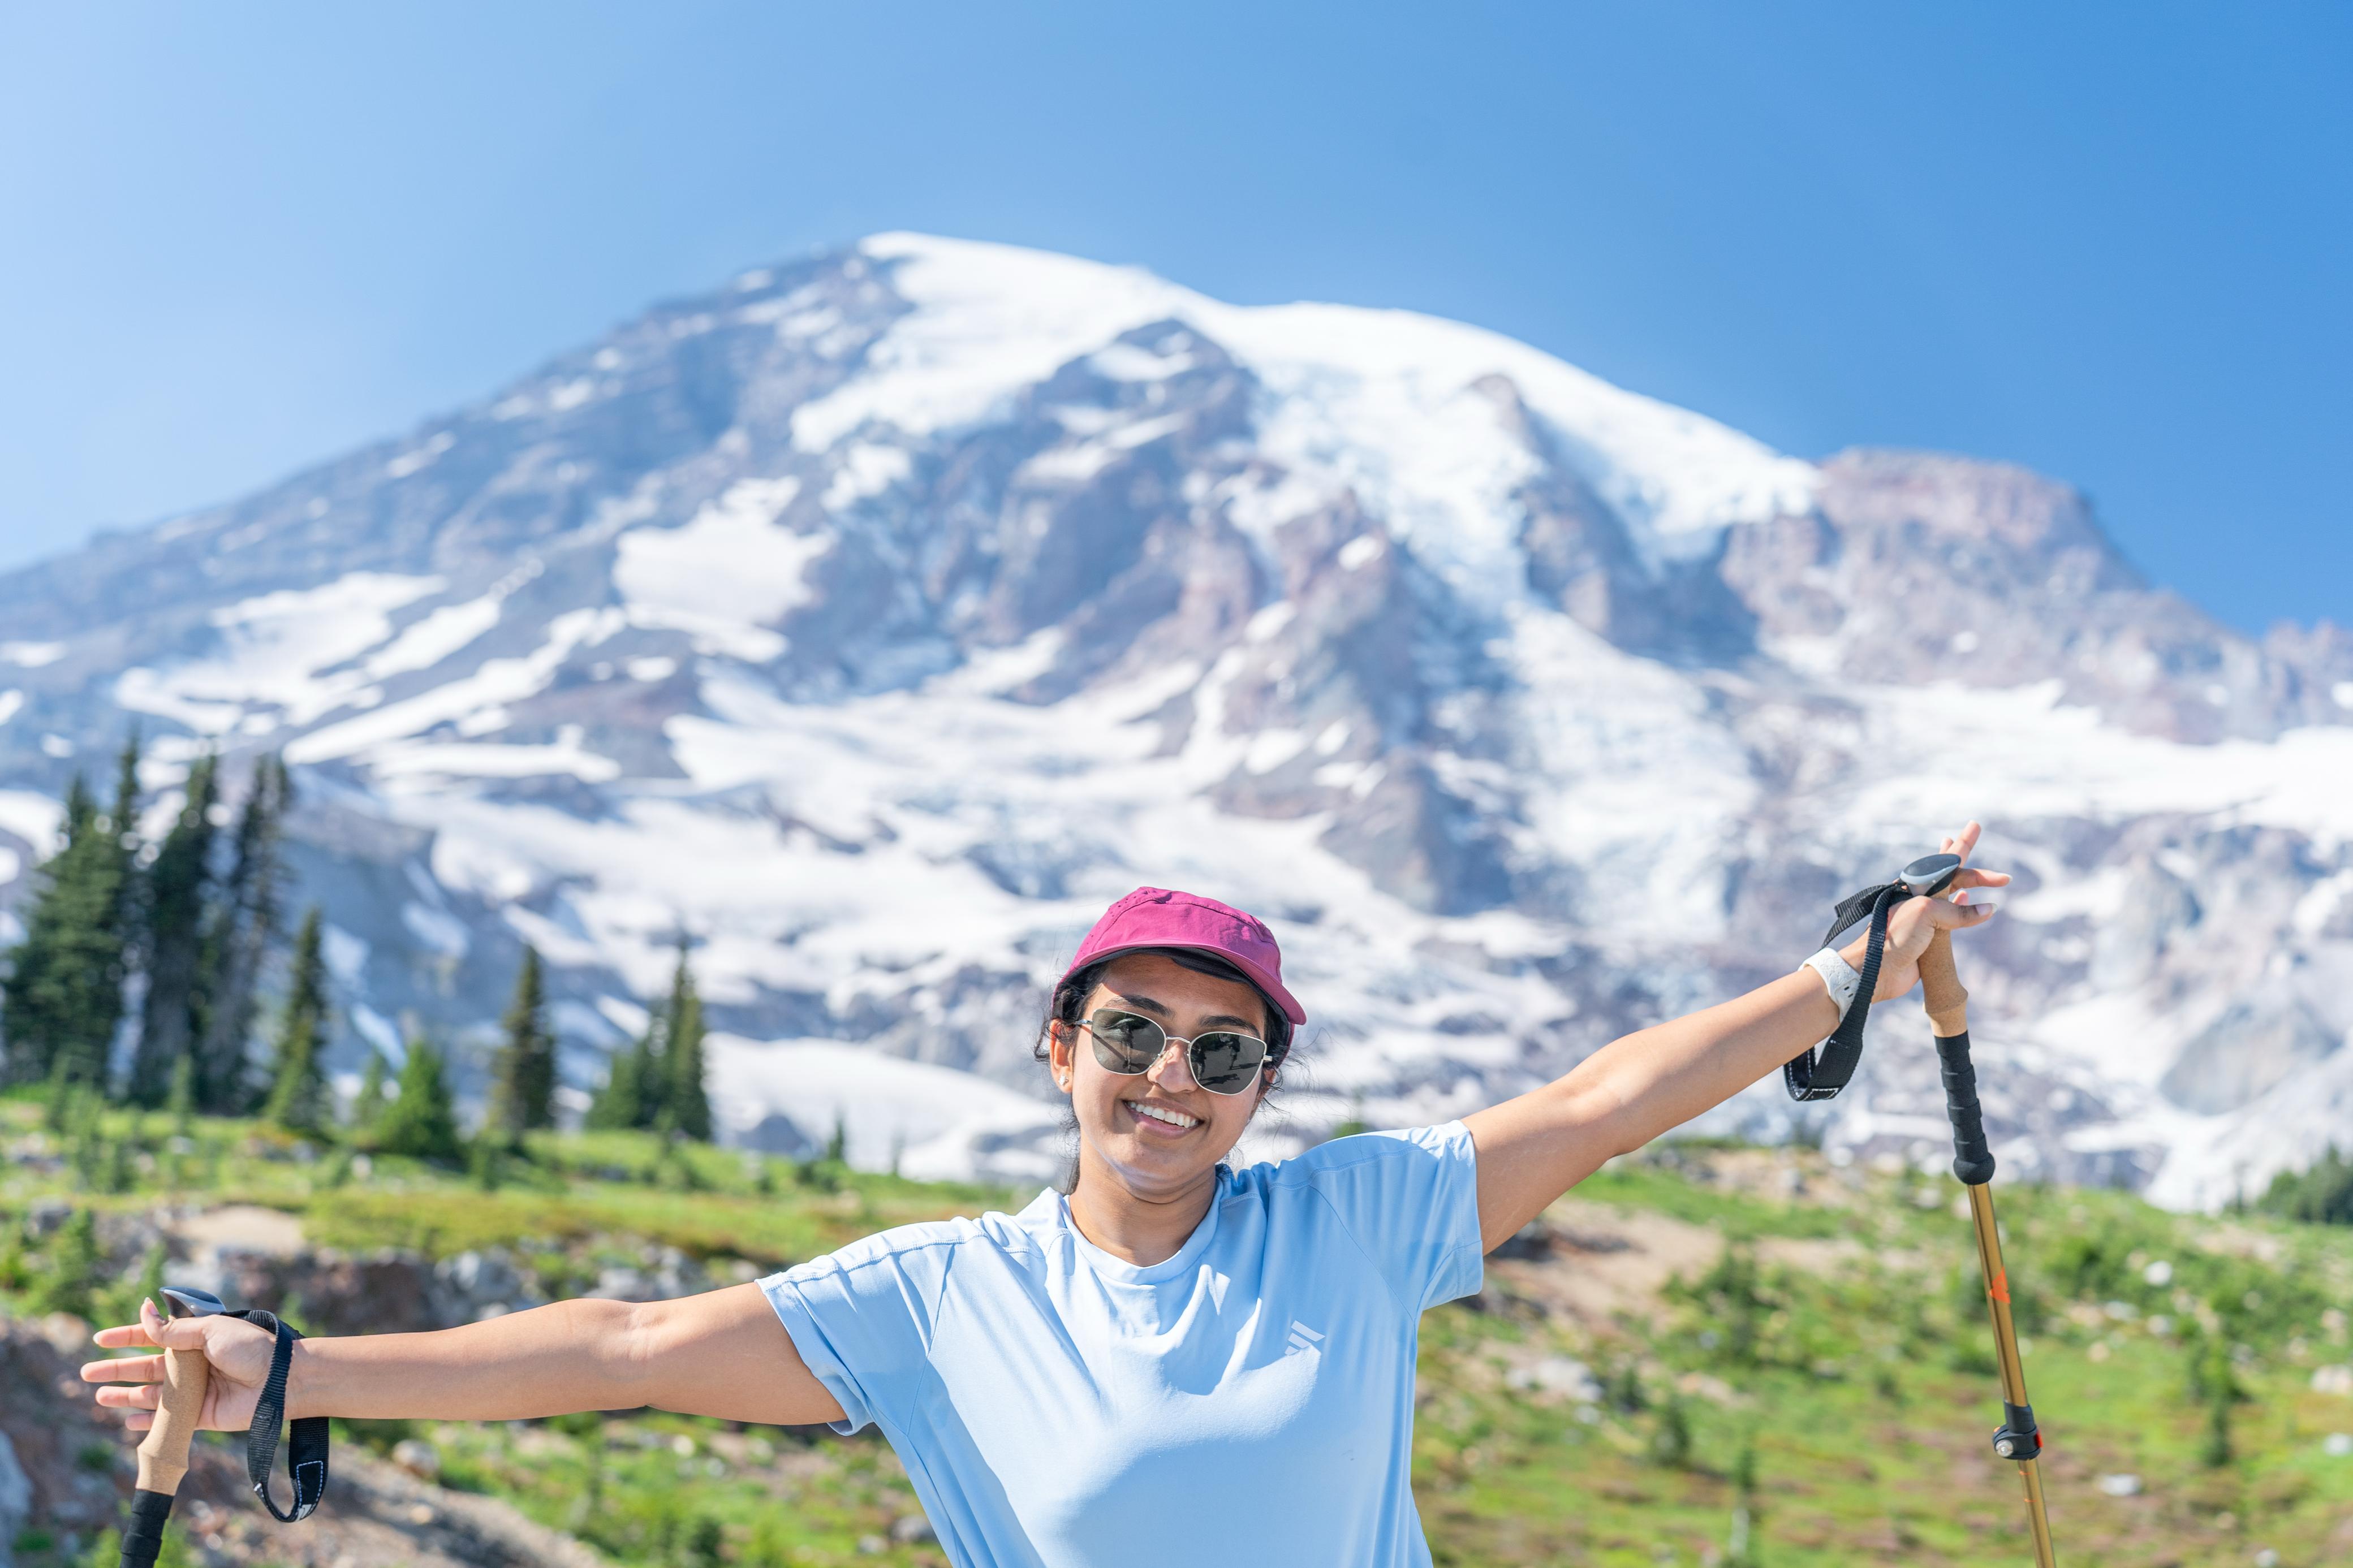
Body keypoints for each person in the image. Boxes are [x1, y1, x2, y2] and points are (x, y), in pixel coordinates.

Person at [86, 823, 2007, 1567]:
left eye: (1221, 1051)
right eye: (1133, 1032)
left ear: (1266, 1085)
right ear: (1059, 1043)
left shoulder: (1351, 1221)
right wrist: (297, 1371)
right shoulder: (939, 1299)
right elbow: (632, 1346)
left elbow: (1601, 1102)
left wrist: (1850, 968)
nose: (1170, 1076)